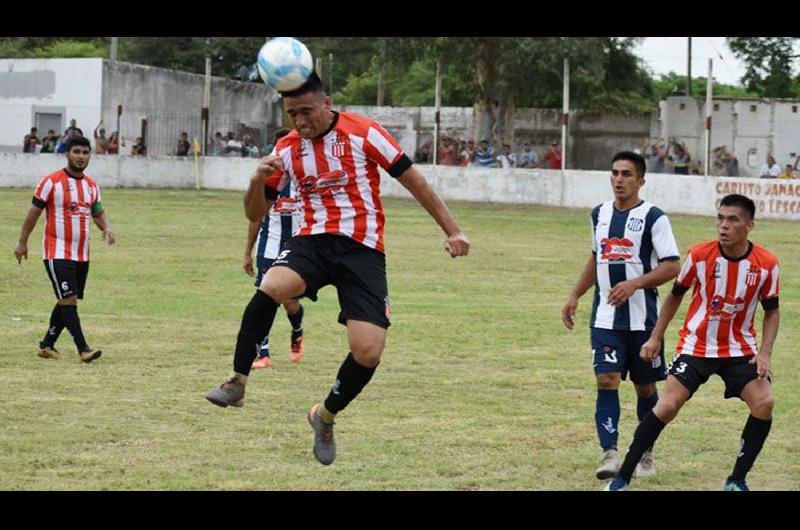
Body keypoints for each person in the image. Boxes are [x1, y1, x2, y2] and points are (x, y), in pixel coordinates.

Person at [204, 72, 470, 466]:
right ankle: (238, 382)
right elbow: (255, 213)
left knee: (368, 352)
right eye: (292, 114)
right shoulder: (287, 148)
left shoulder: (365, 133)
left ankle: (324, 415)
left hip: (362, 250)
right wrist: (256, 181)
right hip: (312, 242)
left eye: (306, 111)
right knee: (271, 286)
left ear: (326, 104)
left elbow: (412, 179)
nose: (299, 121)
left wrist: (453, 230)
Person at [606, 194, 780, 491]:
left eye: (733, 220)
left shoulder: (767, 264)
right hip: (696, 346)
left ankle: (736, 481)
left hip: (740, 349)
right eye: (720, 218)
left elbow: (772, 310)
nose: (723, 225)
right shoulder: (699, 255)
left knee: (764, 403)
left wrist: (764, 353)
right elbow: (675, 295)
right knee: (668, 405)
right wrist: (656, 336)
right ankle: (622, 477)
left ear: (750, 225)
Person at [562, 151, 681, 481]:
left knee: (645, 388)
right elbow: (595, 257)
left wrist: (635, 284)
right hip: (605, 319)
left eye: (627, 174)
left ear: (641, 180)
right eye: (615, 173)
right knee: (606, 380)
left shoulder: (655, 217)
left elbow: (673, 265)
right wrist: (575, 295)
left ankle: (644, 452)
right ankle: (610, 453)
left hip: (643, 322)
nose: (619, 179)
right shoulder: (598, 214)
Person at [13, 135, 116, 363]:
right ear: (67, 153)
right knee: (68, 299)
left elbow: (97, 212)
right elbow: (33, 214)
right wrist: (22, 242)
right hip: (56, 252)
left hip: (81, 254)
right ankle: (83, 349)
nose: (81, 157)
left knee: (66, 299)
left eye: (85, 152)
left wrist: (106, 228)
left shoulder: (91, 186)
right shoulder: (51, 182)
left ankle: (46, 345)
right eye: (76, 152)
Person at [244, 127, 305, 370]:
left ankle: (297, 331)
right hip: (268, 247)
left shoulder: (303, 178)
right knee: (264, 299)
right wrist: (247, 252)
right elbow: (255, 217)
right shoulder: (268, 181)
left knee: (290, 303)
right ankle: (263, 353)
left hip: (296, 248)